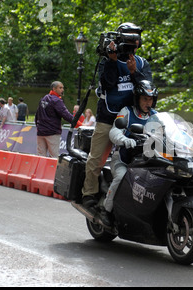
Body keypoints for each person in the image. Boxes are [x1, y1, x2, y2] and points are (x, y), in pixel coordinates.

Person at [82, 22, 152, 208]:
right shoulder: (107, 61)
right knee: (96, 159)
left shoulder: (142, 64)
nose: (131, 45)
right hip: (107, 117)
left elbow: (148, 92)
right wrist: (113, 61)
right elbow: (107, 84)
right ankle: (89, 193)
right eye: (127, 40)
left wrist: (133, 72)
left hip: (132, 120)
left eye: (134, 41)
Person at [100, 80, 158, 227]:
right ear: (137, 99)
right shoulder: (126, 111)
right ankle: (106, 211)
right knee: (121, 176)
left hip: (147, 162)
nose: (148, 103)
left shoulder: (156, 117)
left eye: (150, 99)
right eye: (145, 99)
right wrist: (124, 139)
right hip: (124, 159)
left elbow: (169, 134)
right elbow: (114, 131)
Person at [35, 81, 74, 157]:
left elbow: (37, 115)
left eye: (63, 88)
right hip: (52, 132)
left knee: (40, 156)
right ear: (54, 89)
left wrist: (38, 126)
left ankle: (41, 169)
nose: (62, 90)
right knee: (54, 156)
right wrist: (77, 122)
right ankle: (51, 169)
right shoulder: (57, 100)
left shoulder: (43, 98)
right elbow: (65, 114)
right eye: (60, 88)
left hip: (41, 131)